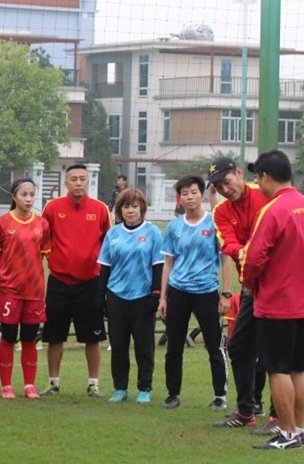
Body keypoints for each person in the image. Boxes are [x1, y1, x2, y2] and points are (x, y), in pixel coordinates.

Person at [242, 150, 304, 450]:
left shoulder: (273, 210)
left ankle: (287, 433)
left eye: (257, 178)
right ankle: (300, 429)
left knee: (277, 369)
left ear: (266, 177)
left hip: (278, 303)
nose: (257, 184)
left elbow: (255, 256)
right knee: (299, 368)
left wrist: (248, 285)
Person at [207, 157, 273, 432]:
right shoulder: (221, 212)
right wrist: (241, 250)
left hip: (276, 287)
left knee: (273, 352)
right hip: (249, 288)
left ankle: (277, 415)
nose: (225, 188)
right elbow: (228, 242)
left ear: (238, 173)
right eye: (219, 186)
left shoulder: (265, 195)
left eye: (227, 181)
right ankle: (246, 410)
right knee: (238, 346)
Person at [157, 175, 228, 411]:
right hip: (178, 292)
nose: (189, 197)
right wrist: (163, 297)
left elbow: (225, 259)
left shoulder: (214, 224)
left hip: (207, 292)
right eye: (185, 193)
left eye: (194, 192)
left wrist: (225, 294)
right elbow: (168, 262)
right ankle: (172, 394)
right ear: (180, 198)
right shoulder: (175, 227)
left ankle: (220, 395)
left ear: (201, 195)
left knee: (214, 345)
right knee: (174, 345)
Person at [40, 164, 111, 397]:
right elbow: (43, 238)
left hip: (90, 283)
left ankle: (93, 384)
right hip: (59, 281)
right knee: (54, 335)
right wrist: (54, 258)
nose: (78, 183)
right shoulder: (52, 208)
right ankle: (53, 382)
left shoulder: (100, 209)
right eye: (73, 179)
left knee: (93, 337)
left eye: (82, 178)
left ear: (88, 181)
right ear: (66, 182)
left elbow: (107, 243)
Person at [98, 189, 163, 404]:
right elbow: (105, 267)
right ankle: (120, 388)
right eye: (126, 207)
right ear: (120, 210)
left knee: (144, 347)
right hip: (117, 296)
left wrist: (156, 294)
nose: (130, 210)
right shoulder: (113, 234)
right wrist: (102, 297)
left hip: (143, 297)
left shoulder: (153, 232)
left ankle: (144, 388)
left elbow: (158, 266)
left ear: (142, 208)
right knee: (118, 346)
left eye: (134, 206)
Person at [0, 178, 50, 400]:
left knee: (29, 337)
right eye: (23, 194)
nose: (28, 199)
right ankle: (6, 385)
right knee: (7, 337)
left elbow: (44, 255)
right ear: (14, 196)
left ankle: (29, 385)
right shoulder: (2, 223)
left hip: (34, 292)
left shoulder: (42, 224)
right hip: (9, 291)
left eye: (31, 194)